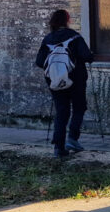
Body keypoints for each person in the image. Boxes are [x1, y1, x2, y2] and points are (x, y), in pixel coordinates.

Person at [36, 9, 93, 158]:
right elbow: (87, 56)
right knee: (79, 107)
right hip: (76, 80)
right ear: (67, 21)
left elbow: (39, 62)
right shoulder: (74, 37)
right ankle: (73, 138)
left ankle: (59, 148)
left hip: (55, 81)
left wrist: (55, 70)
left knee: (62, 112)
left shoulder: (48, 39)